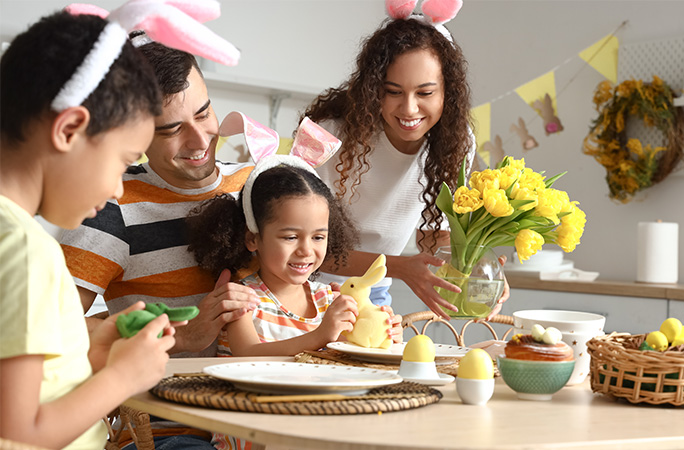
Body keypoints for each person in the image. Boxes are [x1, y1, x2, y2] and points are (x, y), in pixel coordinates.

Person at [0, 9, 179, 449]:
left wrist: (89, 356)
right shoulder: (25, 248)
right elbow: (20, 432)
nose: (118, 187)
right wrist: (123, 378)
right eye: (123, 161)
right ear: (71, 128)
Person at [58, 32, 261, 358]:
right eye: (172, 130)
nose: (199, 141)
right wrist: (181, 337)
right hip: (167, 404)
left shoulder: (259, 184)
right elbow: (48, 327)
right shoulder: (112, 203)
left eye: (204, 113)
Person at [302, 6, 510, 319]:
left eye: (425, 92)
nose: (409, 108)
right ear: (374, 90)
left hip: (375, 289)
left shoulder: (455, 141)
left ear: (447, 93)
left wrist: (480, 266)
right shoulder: (328, 134)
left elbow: (434, 235)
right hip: (304, 287)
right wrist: (399, 267)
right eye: (393, 92)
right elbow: (299, 246)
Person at [187, 155, 402, 450]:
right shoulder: (243, 298)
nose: (306, 250)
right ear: (253, 239)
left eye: (318, 237)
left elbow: (356, 359)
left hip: (316, 430)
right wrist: (319, 336)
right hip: (254, 434)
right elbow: (249, 355)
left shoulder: (330, 297)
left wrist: (384, 337)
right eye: (290, 237)